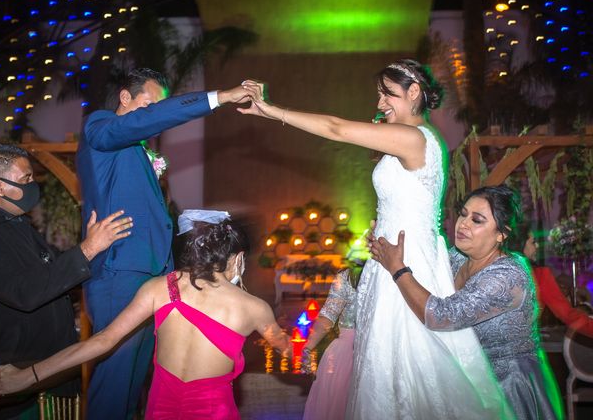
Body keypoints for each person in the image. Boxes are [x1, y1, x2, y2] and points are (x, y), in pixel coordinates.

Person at [239, 60, 507, 418]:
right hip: (389, 258)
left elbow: (336, 128)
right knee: (384, 368)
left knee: (411, 364)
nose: (381, 103)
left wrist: (270, 110)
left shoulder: (415, 137)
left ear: (414, 93)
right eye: (379, 94)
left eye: (388, 94)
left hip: (405, 262)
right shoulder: (409, 139)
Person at [76, 69, 260, 419]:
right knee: (115, 383)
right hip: (122, 269)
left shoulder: (134, 148)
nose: (153, 114)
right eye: (149, 104)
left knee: (135, 385)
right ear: (125, 99)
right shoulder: (100, 127)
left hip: (150, 275)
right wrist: (219, 97)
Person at [0, 210, 291, 420]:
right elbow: (283, 346)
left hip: (161, 406)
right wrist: (289, 341)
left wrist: (26, 377)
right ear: (237, 258)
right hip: (214, 411)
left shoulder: (159, 288)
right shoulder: (253, 308)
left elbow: (101, 341)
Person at [0, 143, 131, 419]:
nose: (33, 184)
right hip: (7, 382)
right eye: (26, 179)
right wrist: (87, 249)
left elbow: (55, 270)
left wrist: (97, 250)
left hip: (45, 374)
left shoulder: (18, 224)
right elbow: (23, 292)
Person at [369, 185, 564, 420]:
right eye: (463, 214)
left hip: (507, 385)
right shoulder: (458, 257)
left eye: (477, 220)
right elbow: (421, 270)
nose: (463, 224)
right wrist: (384, 240)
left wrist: (397, 269)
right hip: (470, 380)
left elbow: (441, 315)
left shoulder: (507, 276)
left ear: (501, 234)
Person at [300, 262, 361, 420]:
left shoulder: (348, 276)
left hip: (347, 354)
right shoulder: (390, 273)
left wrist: (307, 348)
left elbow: (328, 317)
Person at [523, 229, 593, 337]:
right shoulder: (497, 272)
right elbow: (568, 314)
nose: (537, 246)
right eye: (533, 242)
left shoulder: (540, 275)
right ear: (519, 245)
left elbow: (568, 314)